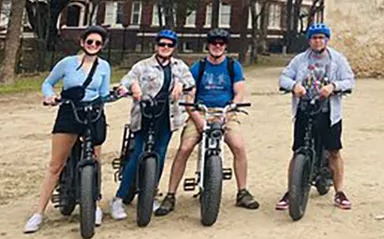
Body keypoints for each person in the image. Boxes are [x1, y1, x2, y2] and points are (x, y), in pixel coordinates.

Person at [154, 28, 260, 216]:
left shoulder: (232, 66)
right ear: (208, 45)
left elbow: (239, 92)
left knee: (239, 147)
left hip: (225, 113)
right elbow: (189, 98)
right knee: (185, 148)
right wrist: (198, 120)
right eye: (214, 43)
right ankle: (170, 195)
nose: (217, 46)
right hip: (200, 113)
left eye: (221, 43)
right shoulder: (198, 67)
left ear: (225, 46)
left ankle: (242, 191)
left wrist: (230, 111)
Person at [24, 25, 114, 234]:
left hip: (93, 114)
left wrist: (116, 94)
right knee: (56, 164)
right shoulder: (67, 63)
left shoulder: (104, 67)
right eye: (89, 41)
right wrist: (50, 96)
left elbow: (103, 93)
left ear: (102, 46)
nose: (93, 45)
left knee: (96, 160)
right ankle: (38, 212)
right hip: (69, 112)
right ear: (82, 43)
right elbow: (48, 83)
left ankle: (95, 205)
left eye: (98, 43)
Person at [108, 29, 194, 220]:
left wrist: (181, 85)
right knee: (138, 153)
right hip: (145, 115)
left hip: (167, 116)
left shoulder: (179, 66)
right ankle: (119, 198)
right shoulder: (142, 66)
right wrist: (133, 87)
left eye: (169, 45)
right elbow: (124, 83)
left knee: (160, 154)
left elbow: (190, 83)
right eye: (162, 44)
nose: (165, 48)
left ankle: (150, 193)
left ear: (174, 48)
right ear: (156, 46)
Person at [276, 22, 356, 210]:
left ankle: (340, 192)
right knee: (298, 151)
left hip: (328, 113)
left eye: (321, 37)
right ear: (309, 40)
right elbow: (284, 77)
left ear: (326, 40)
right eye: (314, 38)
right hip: (304, 109)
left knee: (334, 151)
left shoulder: (337, 59)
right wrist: (294, 86)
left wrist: (333, 87)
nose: (318, 41)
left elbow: (349, 80)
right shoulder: (300, 60)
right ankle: (291, 190)